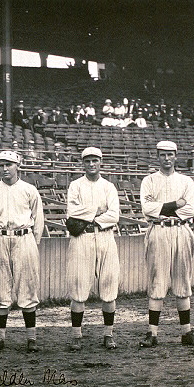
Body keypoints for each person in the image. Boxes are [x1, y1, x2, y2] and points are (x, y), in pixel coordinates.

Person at [139, 141, 194, 348]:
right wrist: (175, 204)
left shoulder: (186, 181)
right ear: (157, 156)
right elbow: (148, 209)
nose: (166, 158)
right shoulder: (149, 180)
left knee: (182, 279)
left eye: (170, 155)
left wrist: (163, 208)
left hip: (181, 229)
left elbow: (191, 210)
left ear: (176, 156)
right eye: (162, 155)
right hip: (158, 230)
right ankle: (152, 333)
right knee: (157, 280)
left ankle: (186, 332)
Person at [0, 150, 45, 352]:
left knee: (27, 287)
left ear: (18, 166)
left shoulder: (29, 190)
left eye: (9, 164)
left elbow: (38, 220)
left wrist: (32, 242)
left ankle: (32, 338)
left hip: (23, 238)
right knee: (0, 288)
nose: (5, 168)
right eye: (1, 165)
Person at [65, 147, 122, 351]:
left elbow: (114, 215)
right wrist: (97, 211)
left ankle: (108, 334)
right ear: (83, 163)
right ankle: (76, 335)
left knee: (108, 286)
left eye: (95, 160)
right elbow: (72, 212)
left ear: (100, 162)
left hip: (105, 236)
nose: (91, 164)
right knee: (79, 286)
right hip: (82, 237)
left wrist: (89, 215)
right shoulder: (75, 185)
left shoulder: (109, 186)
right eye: (87, 161)